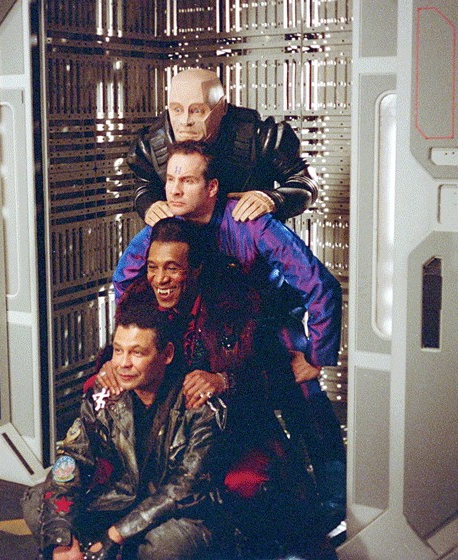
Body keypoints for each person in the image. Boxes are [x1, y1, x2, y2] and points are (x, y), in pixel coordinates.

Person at [112, 141, 346, 538]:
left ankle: (332, 505)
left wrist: (316, 356)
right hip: (207, 335)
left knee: (305, 403)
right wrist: (146, 341)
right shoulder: (164, 226)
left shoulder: (251, 223)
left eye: (187, 181)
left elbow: (320, 285)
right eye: (170, 180)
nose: (175, 190)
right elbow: (125, 283)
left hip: (269, 326)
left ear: (212, 187)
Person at [21, 295, 226, 560]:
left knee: (163, 546)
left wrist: (116, 534)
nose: (123, 363)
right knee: (37, 500)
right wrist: (61, 537)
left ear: (167, 354)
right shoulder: (106, 393)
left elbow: (185, 486)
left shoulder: (196, 401)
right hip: (122, 501)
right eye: (118, 350)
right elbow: (72, 458)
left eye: (137, 352)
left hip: (180, 512)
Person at [127, 67, 319, 226]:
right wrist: (151, 206)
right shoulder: (150, 144)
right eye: (177, 110)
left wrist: (274, 199)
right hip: (185, 247)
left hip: (248, 242)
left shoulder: (262, 137)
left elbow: (305, 183)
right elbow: (144, 185)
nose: (185, 121)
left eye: (197, 111)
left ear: (222, 107)